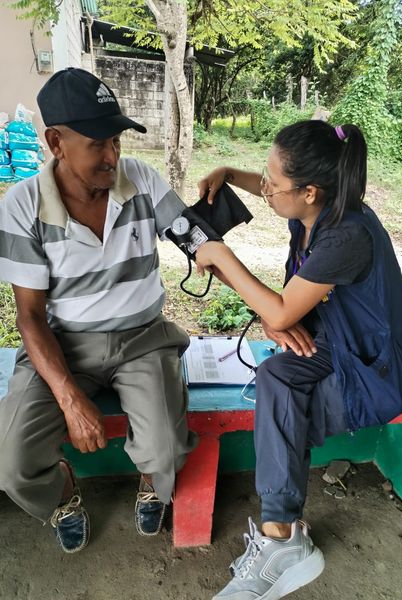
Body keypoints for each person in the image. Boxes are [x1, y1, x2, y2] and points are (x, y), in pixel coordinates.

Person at [196, 120, 402, 600]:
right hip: (340, 339)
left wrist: (220, 254)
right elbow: (282, 311)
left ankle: (280, 536)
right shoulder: (312, 211)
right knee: (276, 378)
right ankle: (283, 535)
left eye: (271, 183)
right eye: (263, 175)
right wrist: (229, 173)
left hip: (380, 365)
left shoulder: (347, 236)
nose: (263, 188)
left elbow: (283, 309)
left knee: (289, 409)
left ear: (309, 192)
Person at [0, 68, 197, 553]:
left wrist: (270, 305)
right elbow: (30, 317)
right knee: (12, 463)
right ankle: (61, 492)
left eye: (116, 141)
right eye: (97, 144)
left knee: (167, 451)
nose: (112, 156)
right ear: (56, 143)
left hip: (143, 339)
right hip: (63, 344)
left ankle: (150, 481)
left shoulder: (140, 180)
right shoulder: (23, 205)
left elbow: (199, 241)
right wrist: (69, 398)